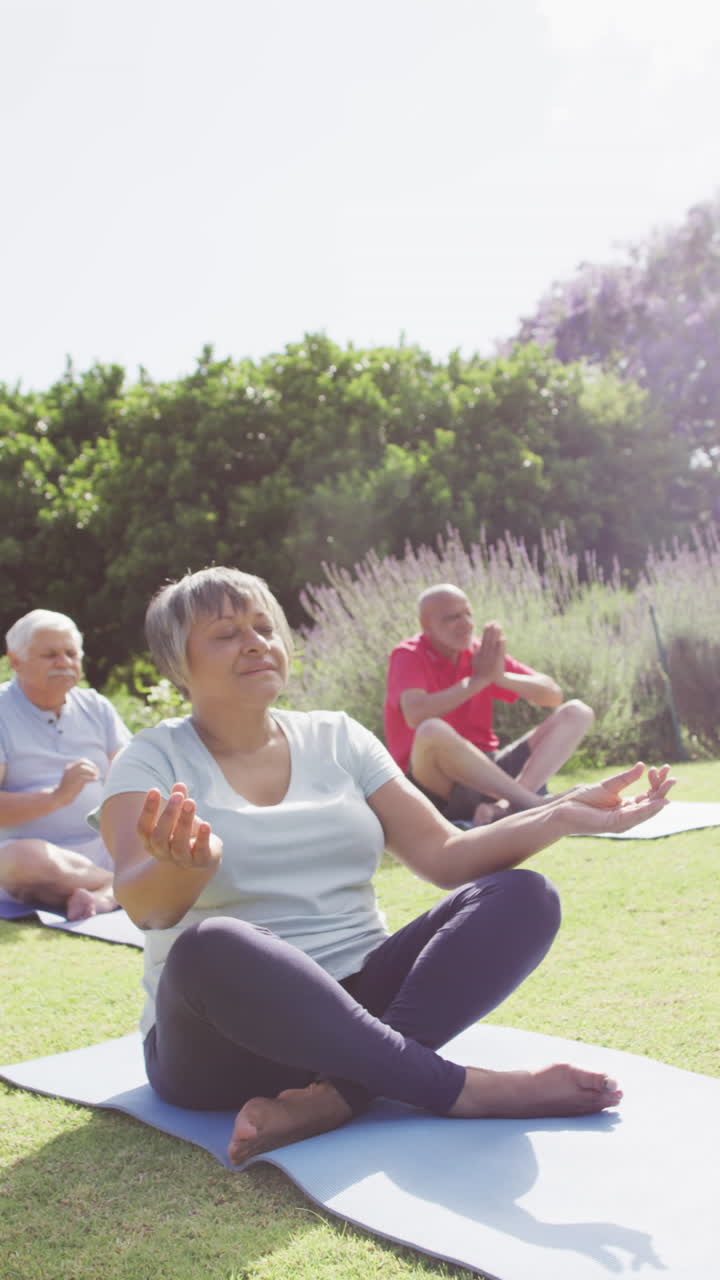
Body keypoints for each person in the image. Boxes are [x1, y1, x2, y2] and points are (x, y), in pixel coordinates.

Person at [98, 566, 673, 1167]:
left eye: (265, 627)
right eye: (226, 633)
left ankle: (340, 1094)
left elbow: (446, 857)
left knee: (525, 897)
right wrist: (183, 868)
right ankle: (466, 1090)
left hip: (362, 1007)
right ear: (177, 661)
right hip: (222, 1045)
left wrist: (559, 815)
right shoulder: (151, 759)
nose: (256, 642)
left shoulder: (339, 739)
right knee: (210, 945)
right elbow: (145, 904)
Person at [384, 584, 595, 825]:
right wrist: (478, 681)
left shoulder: (479, 654)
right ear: (426, 625)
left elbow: (553, 696)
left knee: (577, 712)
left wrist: (500, 677)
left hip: (491, 776)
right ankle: (529, 802)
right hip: (438, 784)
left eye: (468, 614)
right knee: (431, 730)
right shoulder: (408, 654)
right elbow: (415, 714)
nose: (466, 623)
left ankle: (505, 808)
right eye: (452, 617)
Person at [0, 609, 131, 919]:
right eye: (50, 655)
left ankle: (107, 891)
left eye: (71, 653)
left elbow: (133, 770)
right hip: (29, 855)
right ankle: (120, 889)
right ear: (15, 661)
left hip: (103, 846)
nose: (64, 662)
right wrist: (57, 797)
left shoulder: (96, 706)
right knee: (22, 861)